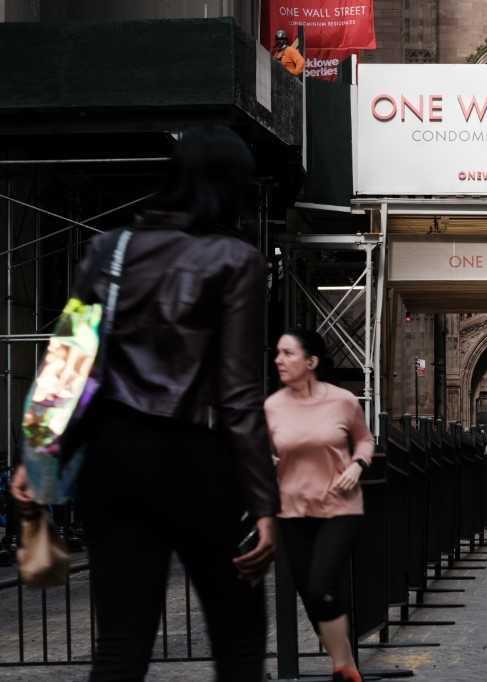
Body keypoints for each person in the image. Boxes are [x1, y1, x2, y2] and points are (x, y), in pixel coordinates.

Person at [12, 126, 278, 680]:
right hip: (198, 463)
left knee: (121, 639)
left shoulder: (110, 250)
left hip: (114, 458)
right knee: (238, 637)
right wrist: (263, 504)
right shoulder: (235, 260)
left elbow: (67, 358)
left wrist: (37, 453)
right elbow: (237, 395)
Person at [265, 329, 373, 682]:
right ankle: (345, 664)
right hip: (293, 509)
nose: (279, 360)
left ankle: (343, 667)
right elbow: (264, 453)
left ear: (310, 362)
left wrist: (358, 465)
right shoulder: (272, 407)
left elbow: (364, 440)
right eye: (277, 353)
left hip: (339, 507)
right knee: (311, 594)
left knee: (322, 583)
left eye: (288, 353)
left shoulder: (342, 400)